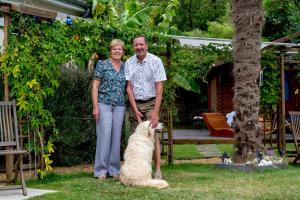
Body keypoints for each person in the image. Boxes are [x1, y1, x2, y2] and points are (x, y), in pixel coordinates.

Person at [125, 35, 167, 179]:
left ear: (146, 45)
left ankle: (158, 170)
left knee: (153, 137)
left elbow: (160, 87)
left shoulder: (156, 61)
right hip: (135, 103)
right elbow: (129, 88)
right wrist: (135, 109)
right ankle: (136, 170)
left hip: (151, 102)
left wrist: (155, 111)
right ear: (133, 47)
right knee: (136, 139)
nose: (139, 47)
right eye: (136, 45)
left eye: (141, 44)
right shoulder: (129, 62)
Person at [92, 39, 126, 180]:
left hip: (120, 105)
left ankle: (114, 170)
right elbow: (95, 86)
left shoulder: (126, 66)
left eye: (119, 49)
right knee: (104, 136)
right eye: (114, 49)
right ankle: (100, 170)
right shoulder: (102, 64)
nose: (117, 51)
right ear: (110, 51)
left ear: (123, 52)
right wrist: (95, 107)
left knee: (116, 137)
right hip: (104, 104)